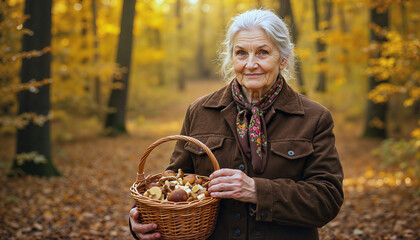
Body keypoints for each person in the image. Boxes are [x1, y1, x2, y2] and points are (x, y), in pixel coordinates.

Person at [129, 9, 344, 240]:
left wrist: (256, 191)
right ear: (231, 58)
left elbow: (327, 199)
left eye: (262, 52)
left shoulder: (313, 117)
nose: (251, 64)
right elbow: (173, 184)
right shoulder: (200, 112)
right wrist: (142, 221)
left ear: (283, 58)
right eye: (241, 53)